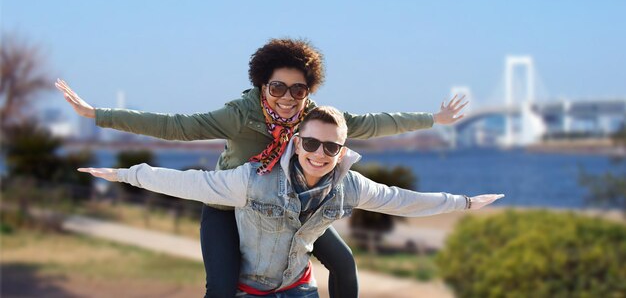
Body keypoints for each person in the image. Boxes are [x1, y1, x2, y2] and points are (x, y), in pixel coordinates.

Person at [57, 38, 468, 298]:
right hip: (231, 200)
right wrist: (97, 114)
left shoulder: (315, 118)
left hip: (288, 205)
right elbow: (176, 127)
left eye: (298, 89)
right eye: (278, 87)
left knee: (344, 264)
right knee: (220, 287)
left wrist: (433, 118)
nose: (288, 98)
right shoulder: (239, 114)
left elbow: (375, 122)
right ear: (262, 86)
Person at [79, 106, 503, 297]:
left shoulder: (349, 185)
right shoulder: (252, 179)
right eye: (312, 144)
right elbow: (190, 182)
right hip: (248, 290)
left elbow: (402, 200)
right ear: (296, 142)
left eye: (331, 148)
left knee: (345, 261)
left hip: (299, 290)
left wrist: (463, 203)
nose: (320, 153)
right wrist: (124, 174)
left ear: (342, 149)